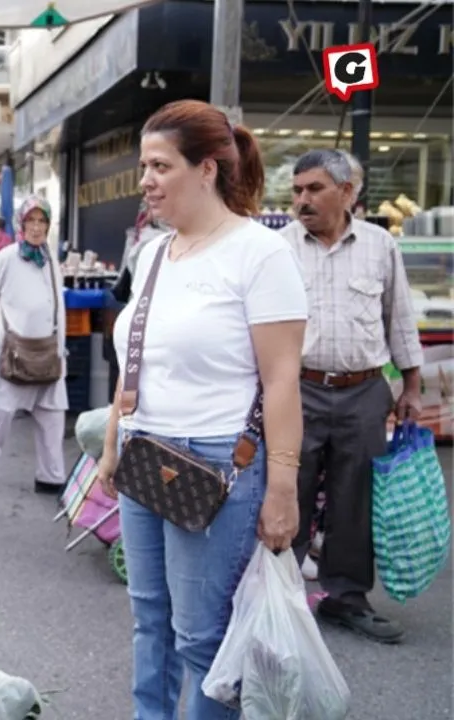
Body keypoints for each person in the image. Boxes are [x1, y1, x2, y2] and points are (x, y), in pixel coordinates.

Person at [94, 100, 307, 720]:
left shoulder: (259, 255)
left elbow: (283, 380)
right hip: (143, 455)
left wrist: (284, 488)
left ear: (207, 168)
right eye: (143, 166)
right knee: (149, 624)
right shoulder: (156, 253)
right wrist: (112, 442)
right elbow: (139, 358)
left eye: (160, 166)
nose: (146, 181)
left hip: (216, 465)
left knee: (200, 640)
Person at [280, 148, 423, 644]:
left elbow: (399, 318)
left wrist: (412, 386)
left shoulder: (381, 246)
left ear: (347, 192)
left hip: (364, 391)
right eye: (297, 190)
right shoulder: (279, 248)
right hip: (296, 389)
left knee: (353, 499)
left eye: (314, 189)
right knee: (287, 493)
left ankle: (346, 598)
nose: (303, 199)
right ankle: (275, 599)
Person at [0, 196, 68, 497]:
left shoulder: (50, 260)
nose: (36, 227)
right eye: (31, 221)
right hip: (6, 350)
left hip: (46, 351)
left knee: (52, 414)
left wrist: (61, 350)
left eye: (42, 221)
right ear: (21, 224)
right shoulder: (8, 257)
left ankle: (51, 476)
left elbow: (56, 306)